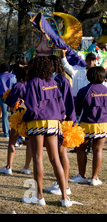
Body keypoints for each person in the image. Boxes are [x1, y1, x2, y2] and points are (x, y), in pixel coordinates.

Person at [21, 56, 71, 207]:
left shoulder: (32, 82)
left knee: (38, 158)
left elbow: (31, 107)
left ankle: (39, 196)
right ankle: (64, 198)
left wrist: (24, 118)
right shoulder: (54, 82)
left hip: (37, 121)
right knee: (56, 159)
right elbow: (61, 106)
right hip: (54, 121)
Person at [44, 55, 78, 196]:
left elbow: (68, 101)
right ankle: (61, 183)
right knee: (57, 154)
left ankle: (64, 185)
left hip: (61, 120)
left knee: (61, 153)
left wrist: (71, 121)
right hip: (56, 118)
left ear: (54, 65)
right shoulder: (55, 79)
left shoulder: (61, 79)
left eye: (48, 64)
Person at [71, 66, 107, 186]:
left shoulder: (84, 90)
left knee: (81, 149)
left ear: (88, 77)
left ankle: (82, 175)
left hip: (86, 123)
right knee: (98, 150)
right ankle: (94, 178)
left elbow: (76, 108)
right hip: (103, 124)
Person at [0, 62, 32, 176]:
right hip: (31, 115)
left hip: (19, 114)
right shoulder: (33, 84)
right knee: (29, 142)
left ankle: (9, 167)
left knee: (12, 141)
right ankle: (26, 167)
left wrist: (8, 96)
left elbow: (10, 101)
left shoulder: (18, 85)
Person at [0, 63, 15, 138]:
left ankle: (6, 133)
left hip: (2, 96)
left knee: (4, 114)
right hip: (12, 96)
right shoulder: (12, 76)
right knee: (14, 114)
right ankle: (15, 131)